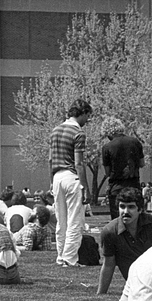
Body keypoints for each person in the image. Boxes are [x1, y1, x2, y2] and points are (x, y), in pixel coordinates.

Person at [95, 187, 152, 297]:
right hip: (135, 285)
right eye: (122, 207)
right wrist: (101, 294)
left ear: (140, 209)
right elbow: (109, 264)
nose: (125, 212)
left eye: (131, 207)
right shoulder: (109, 231)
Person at [49, 99, 92, 267]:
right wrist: (85, 187)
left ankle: (61, 256)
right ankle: (70, 258)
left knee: (61, 221)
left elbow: (50, 160)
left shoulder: (55, 131)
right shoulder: (78, 133)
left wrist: (51, 182)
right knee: (75, 220)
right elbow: (79, 163)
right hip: (71, 177)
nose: (87, 120)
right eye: (87, 116)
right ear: (82, 113)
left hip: (57, 177)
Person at [101, 116, 144, 220]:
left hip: (116, 188)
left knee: (118, 222)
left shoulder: (107, 147)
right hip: (134, 186)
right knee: (137, 221)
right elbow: (142, 163)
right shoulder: (135, 142)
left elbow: (107, 172)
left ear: (108, 131)